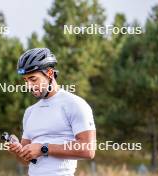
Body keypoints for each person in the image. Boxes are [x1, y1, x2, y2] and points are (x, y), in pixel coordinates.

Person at [8, 48, 96, 176]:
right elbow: (25, 161)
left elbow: (88, 149)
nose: (29, 86)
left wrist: (44, 148)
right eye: (26, 81)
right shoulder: (30, 111)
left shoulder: (74, 104)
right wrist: (17, 150)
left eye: (33, 79)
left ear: (49, 73)